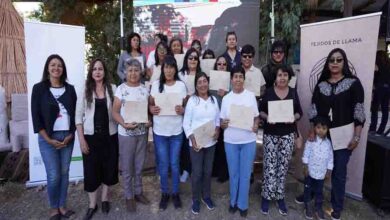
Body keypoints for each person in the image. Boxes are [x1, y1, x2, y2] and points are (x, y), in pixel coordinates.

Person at [301, 48, 365, 220]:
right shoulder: (321, 85)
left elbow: (359, 112)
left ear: (344, 62)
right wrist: (312, 131)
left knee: (338, 172)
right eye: (332, 60)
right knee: (314, 166)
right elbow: (313, 110)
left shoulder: (353, 83)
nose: (335, 63)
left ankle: (337, 206)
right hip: (321, 135)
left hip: (344, 138)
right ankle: (311, 196)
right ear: (327, 64)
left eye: (339, 60)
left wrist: (357, 136)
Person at [31, 54, 77, 220]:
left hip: (67, 137)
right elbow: (36, 118)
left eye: (59, 65)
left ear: (63, 69)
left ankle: (62, 206)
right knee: (53, 174)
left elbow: (76, 115)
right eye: (53, 65)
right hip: (48, 138)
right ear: (47, 68)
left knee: (65, 172)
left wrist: (71, 134)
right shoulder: (39, 89)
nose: (56, 68)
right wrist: (48, 139)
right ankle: (53, 208)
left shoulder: (70, 89)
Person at [75, 58, 118, 219]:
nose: (98, 72)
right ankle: (92, 204)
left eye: (100, 69)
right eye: (94, 69)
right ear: (91, 72)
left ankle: (105, 198)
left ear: (105, 72)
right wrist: (81, 139)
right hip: (90, 138)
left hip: (110, 136)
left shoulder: (112, 89)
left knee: (109, 168)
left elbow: (120, 110)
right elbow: (78, 116)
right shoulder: (85, 89)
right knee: (91, 171)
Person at [259, 65, 302, 216]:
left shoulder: (293, 93)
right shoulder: (269, 93)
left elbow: (299, 113)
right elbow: (261, 111)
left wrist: (293, 117)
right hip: (271, 134)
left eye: (285, 75)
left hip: (287, 135)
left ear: (289, 77)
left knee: (282, 167)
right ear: (275, 78)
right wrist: (267, 117)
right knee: (269, 167)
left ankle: (280, 197)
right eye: (279, 75)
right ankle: (266, 196)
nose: (282, 78)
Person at [112, 59, 151, 212]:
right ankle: (129, 196)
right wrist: (123, 123)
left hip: (141, 133)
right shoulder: (121, 89)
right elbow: (114, 112)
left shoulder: (144, 89)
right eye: (130, 70)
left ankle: (139, 192)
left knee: (139, 165)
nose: (133, 73)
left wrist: (149, 120)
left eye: (136, 70)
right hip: (126, 134)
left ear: (140, 72)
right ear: (125, 72)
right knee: (127, 167)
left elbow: (148, 111)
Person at [220, 66, 260, 217]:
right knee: (234, 173)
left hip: (248, 140)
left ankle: (243, 204)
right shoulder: (226, 98)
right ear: (231, 79)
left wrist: (256, 124)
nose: (237, 79)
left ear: (244, 79)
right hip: (231, 140)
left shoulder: (250, 96)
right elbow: (222, 121)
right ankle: (233, 201)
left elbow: (256, 116)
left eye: (240, 77)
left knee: (245, 174)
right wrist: (223, 124)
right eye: (235, 76)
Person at [149, 55, 187, 210]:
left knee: (175, 164)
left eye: (171, 67)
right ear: (162, 69)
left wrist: (183, 110)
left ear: (175, 69)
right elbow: (150, 104)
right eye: (166, 67)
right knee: (163, 165)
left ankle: (176, 193)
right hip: (160, 132)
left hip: (176, 132)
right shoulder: (156, 84)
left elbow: (186, 107)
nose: (169, 70)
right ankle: (165, 193)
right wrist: (151, 109)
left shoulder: (181, 85)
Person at [183, 72, 220, 214]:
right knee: (197, 173)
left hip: (210, 143)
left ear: (208, 83)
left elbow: (217, 120)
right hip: (196, 144)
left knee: (207, 171)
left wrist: (217, 130)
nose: (203, 84)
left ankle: (206, 196)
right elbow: (187, 123)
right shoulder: (192, 101)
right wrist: (193, 139)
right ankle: (196, 199)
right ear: (196, 86)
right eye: (200, 82)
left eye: (205, 81)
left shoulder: (213, 100)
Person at [301, 116, 333, 220]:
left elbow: (330, 159)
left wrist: (329, 171)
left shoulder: (328, 144)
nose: (321, 130)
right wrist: (305, 166)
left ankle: (318, 207)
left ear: (327, 129)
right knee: (308, 189)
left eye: (324, 128)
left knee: (319, 192)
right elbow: (306, 153)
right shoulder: (311, 140)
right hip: (309, 172)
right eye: (318, 127)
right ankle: (307, 206)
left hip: (321, 174)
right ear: (315, 128)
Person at [178, 48, 202, 183]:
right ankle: (186, 169)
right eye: (190, 58)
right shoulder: (180, 75)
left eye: (195, 58)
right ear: (186, 59)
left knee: (197, 141)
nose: (193, 60)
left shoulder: (201, 74)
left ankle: (195, 170)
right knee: (185, 144)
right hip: (183, 114)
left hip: (198, 114)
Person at [211, 55, 230, 183]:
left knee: (224, 146)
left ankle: (224, 172)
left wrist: (226, 94)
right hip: (213, 118)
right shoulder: (211, 80)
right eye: (219, 64)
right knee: (214, 145)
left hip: (226, 119)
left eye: (224, 64)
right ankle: (215, 170)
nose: (221, 66)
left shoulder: (231, 81)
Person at [369, 50, 390, 135]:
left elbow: (375, 76)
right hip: (388, 88)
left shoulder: (377, 65)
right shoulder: (388, 65)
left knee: (374, 109)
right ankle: (381, 130)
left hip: (379, 88)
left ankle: (373, 128)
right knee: (385, 110)